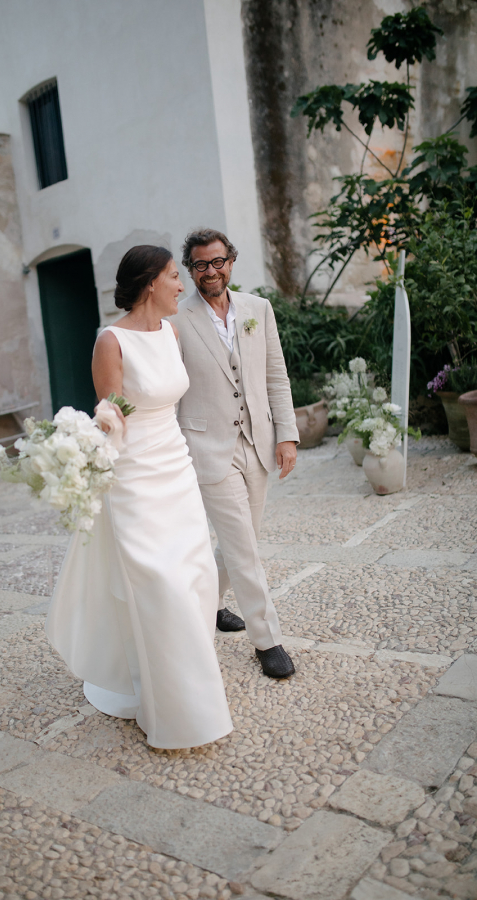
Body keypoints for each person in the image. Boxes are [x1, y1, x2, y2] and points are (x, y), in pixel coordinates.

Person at [45, 245, 233, 750]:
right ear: (151, 282)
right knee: (160, 585)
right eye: (176, 276)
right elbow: (111, 415)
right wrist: (86, 457)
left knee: (197, 579)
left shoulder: (171, 333)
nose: (182, 284)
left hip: (177, 471)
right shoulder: (111, 340)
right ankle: (175, 707)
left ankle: (184, 691)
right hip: (134, 481)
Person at [172, 228, 299, 679]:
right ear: (190, 269)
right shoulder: (176, 319)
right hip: (207, 447)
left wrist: (287, 435)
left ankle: (207, 607)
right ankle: (268, 640)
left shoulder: (257, 310)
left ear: (231, 262)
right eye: (201, 264)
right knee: (244, 548)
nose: (211, 271)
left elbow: (276, 376)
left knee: (242, 540)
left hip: (258, 442)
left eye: (218, 261)